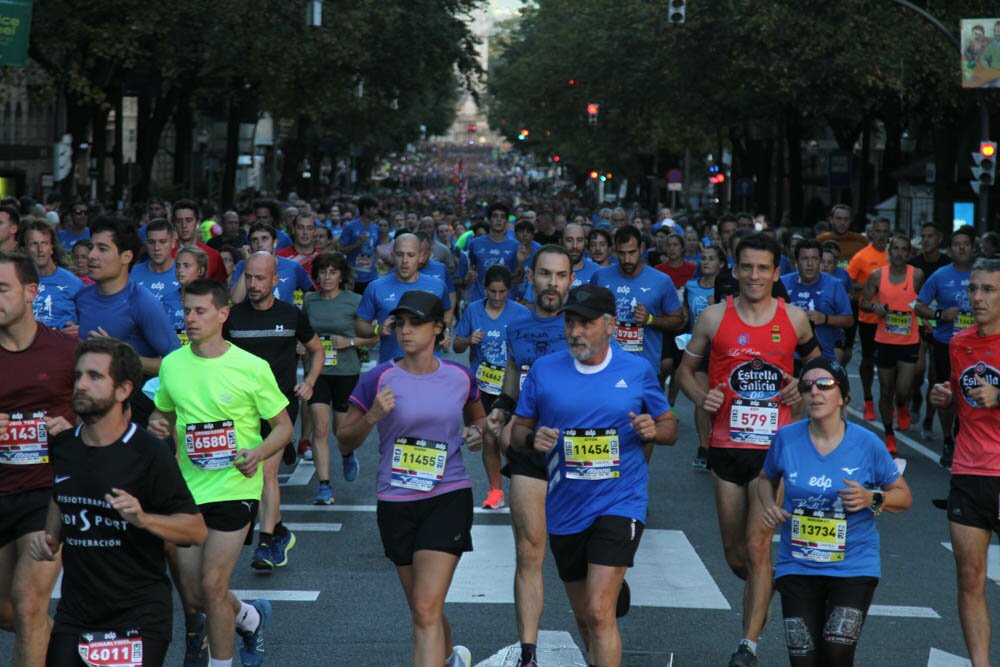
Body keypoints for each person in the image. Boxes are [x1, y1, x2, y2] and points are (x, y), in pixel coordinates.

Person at [510, 284, 677, 667]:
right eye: (570, 322)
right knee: (586, 616)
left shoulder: (636, 371)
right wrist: (533, 437)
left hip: (621, 501)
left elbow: (670, 427)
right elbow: (519, 430)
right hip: (567, 507)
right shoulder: (545, 370)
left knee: (601, 613)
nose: (575, 332)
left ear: (610, 325)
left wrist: (654, 430)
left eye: (585, 323)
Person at [676, 233, 818, 667]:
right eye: (747, 267)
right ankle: (766, 583)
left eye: (764, 268)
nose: (755, 276)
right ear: (735, 270)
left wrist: (804, 384)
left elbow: (819, 365)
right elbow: (686, 371)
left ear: (777, 273)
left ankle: (747, 647)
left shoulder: (794, 319)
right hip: (726, 447)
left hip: (775, 451)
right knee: (737, 555)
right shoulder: (713, 318)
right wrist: (703, 399)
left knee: (758, 548)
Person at [33, 338, 207, 667]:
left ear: (124, 390)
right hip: (76, 614)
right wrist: (51, 535)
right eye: (78, 375)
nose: (81, 384)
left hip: (138, 618)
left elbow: (195, 531)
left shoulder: (149, 453)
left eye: (95, 377)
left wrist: (144, 519)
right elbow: (63, 492)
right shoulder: (64, 445)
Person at [150, 278, 293, 667]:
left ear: (223, 314)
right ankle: (249, 616)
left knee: (213, 587)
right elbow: (161, 412)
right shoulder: (172, 364)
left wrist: (258, 453)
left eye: (200, 311)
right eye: (187, 311)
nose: (191, 319)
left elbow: (283, 427)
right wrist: (158, 425)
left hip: (234, 486)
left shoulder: (251, 367)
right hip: (188, 492)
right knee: (196, 594)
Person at [336, 290, 482, 667]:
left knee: (424, 606)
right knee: (423, 609)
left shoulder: (460, 377)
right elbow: (344, 440)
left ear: (437, 328)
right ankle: (449, 657)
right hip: (396, 502)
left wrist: (480, 433)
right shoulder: (379, 378)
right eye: (401, 322)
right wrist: (371, 417)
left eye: (416, 323)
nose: (406, 330)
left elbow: (480, 422)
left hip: (448, 496)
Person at [758, 357, 911, 666]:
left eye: (825, 385)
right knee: (803, 659)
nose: (815, 392)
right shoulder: (787, 438)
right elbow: (765, 478)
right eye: (806, 386)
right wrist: (770, 505)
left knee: (837, 654)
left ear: (843, 396)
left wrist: (872, 497)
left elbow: (904, 497)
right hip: (798, 566)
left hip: (853, 567)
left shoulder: (867, 443)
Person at [484, 246, 574, 667]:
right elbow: (510, 386)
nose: (552, 283)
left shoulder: (581, 326)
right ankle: (528, 652)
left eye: (560, 276)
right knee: (529, 549)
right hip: (529, 450)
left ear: (570, 281)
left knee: (578, 553)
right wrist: (499, 414)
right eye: (544, 274)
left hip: (578, 452)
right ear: (531, 278)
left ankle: (610, 581)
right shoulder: (516, 328)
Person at [0, 252, 77, 665]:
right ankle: (60, 645)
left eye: (1, 289)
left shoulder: (67, 351)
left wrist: (75, 432)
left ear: (31, 292)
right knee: (10, 614)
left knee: (29, 606)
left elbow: (108, 416)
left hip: (45, 494)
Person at [225, 252, 325, 571]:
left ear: (274, 280)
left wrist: (309, 381)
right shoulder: (232, 317)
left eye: (259, 278)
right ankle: (279, 530)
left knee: (267, 472)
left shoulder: (291, 314)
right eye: (248, 277)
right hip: (240, 411)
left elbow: (317, 350)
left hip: (278, 410)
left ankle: (265, 544)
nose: (253, 284)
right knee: (247, 474)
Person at [930, 258, 1000, 667]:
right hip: (969, 472)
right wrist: (946, 396)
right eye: (974, 289)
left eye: (988, 290)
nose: (977, 297)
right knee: (970, 579)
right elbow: (961, 395)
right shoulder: (960, 343)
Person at [70, 216, 180, 429]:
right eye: (91, 247)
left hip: (133, 414)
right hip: (87, 410)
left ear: (126, 256)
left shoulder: (142, 302)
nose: (91, 255)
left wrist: (121, 355)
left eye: (102, 249)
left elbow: (175, 364)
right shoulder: (82, 297)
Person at [453, 265, 530, 509]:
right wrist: (468, 340)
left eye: (502, 292)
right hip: (483, 386)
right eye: (493, 292)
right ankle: (495, 491)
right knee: (488, 439)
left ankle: (522, 485)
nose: (497, 297)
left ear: (509, 290)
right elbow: (456, 346)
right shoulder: (474, 310)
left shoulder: (520, 313)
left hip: (511, 387)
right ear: (484, 289)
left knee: (512, 440)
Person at [302, 252, 376, 504]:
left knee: (340, 431)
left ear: (342, 275)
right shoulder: (310, 301)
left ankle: (346, 454)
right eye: (323, 272)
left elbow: (377, 335)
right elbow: (303, 333)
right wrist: (300, 345)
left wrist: (351, 341)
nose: (327, 277)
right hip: (317, 373)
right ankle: (324, 486)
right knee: (320, 428)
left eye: (333, 272)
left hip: (346, 371)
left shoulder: (355, 301)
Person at [590, 226, 684, 389]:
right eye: (621, 253)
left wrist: (650, 319)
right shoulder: (600, 276)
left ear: (641, 249)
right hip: (607, 366)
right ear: (614, 251)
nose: (627, 259)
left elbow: (678, 320)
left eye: (632, 252)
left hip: (645, 369)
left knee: (643, 414)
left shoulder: (661, 281)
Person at [860, 234, 924, 454]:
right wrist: (874, 308)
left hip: (909, 341)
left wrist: (926, 320)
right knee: (886, 391)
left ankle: (903, 406)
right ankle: (889, 434)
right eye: (895, 248)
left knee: (903, 390)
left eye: (903, 249)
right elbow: (864, 303)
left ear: (909, 253)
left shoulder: (916, 275)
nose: (898, 253)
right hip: (885, 341)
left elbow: (922, 302)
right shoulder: (877, 276)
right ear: (889, 252)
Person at [916, 226, 974, 466]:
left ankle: (966, 439)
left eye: (966, 243)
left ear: (973, 247)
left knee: (971, 395)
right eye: (957, 244)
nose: (961, 247)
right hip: (946, 344)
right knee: (947, 394)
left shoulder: (983, 275)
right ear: (950, 249)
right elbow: (919, 306)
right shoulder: (940, 275)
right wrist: (940, 314)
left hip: (977, 347)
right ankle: (949, 439)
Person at [355, 233, 451, 364]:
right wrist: (377, 329)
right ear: (393, 255)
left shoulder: (438, 286)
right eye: (400, 254)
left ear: (420, 256)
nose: (405, 261)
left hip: (429, 367)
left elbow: (446, 310)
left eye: (411, 255)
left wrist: (445, 330)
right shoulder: (375, 287)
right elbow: (359, 325)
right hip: (391, 366)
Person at [779, 239, 854, 362]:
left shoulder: (834, 285)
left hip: (823, 357)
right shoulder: (782, 283)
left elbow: (849, 320)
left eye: (814, 258)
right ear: (796, 261)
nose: (810, 263)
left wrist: (824, 318)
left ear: (819, 261)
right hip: (787, 357)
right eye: (804, 259)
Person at [846, 217, 891, 420]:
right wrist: (869, 287)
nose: (882, 235)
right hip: (869, 317)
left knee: (889, 363)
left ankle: (889, 401)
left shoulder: (895, 254)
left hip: (892, 319)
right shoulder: (861, 257)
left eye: (885, 231)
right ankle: (867, 399)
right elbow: (847, 283)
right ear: (871, 233)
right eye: (878, 231)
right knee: (868, 359)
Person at [684, 244, 723, 468]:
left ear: (720, 263)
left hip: (720, 348)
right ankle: (703, 446)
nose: (706, 262)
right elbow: (683, 315)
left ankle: (719, 440)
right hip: (697, 348)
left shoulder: (727, 287)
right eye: (703, 258)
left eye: (711, 258)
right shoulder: (690, 286)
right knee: (702, 397)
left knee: (719, 400)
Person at [229, 223, 313, 305]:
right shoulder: (243, 265)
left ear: (275, 242)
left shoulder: (292, 266)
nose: (260, 244)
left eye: (264, 238)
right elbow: (236, 300)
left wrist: (298, 306)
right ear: (250, 245)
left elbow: (309, 291)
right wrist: (248, 263)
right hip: (253, 317)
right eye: (255, 240)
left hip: (285, 317)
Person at [22, 220, 82, 329]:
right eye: (34, 244)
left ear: (52, 248)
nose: (40, 250)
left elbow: (88, 320)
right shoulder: (17, 280)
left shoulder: (73, 283)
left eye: (44, 243)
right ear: (25, 249)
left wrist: (78, 329)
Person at [130, 218, 184, 332]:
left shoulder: (184, 274)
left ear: (173, 243)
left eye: (162, 242)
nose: (156, 248)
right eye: (151, 242)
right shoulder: (131, 274)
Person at [466, 202, 520, 303]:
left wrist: (520, 263)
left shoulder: (516, 246)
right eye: (495, 216)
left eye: (502, 217)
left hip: (506, 301)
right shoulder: (475, 243)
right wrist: (469, 276)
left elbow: (518, 277)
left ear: (507, 222)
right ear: (489, 220)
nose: (499, 220)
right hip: (479, 300)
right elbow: (470, 269)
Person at [172, 199, 228, 284]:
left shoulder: (214, 255)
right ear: (174, 224)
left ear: (197, 222)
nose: (184, 225)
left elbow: (221, 291)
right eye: (179, 221)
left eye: (189, 220)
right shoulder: (167, 254)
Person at [339, 196, 381, 294]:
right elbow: (341, 249)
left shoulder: (375, 228)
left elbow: (375, 248)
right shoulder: (350, 227)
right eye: (374, 208)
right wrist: (357, 243)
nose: (377, 211)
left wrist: (379, 260)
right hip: (354, 277)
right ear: (366, 209)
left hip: (372, 276)